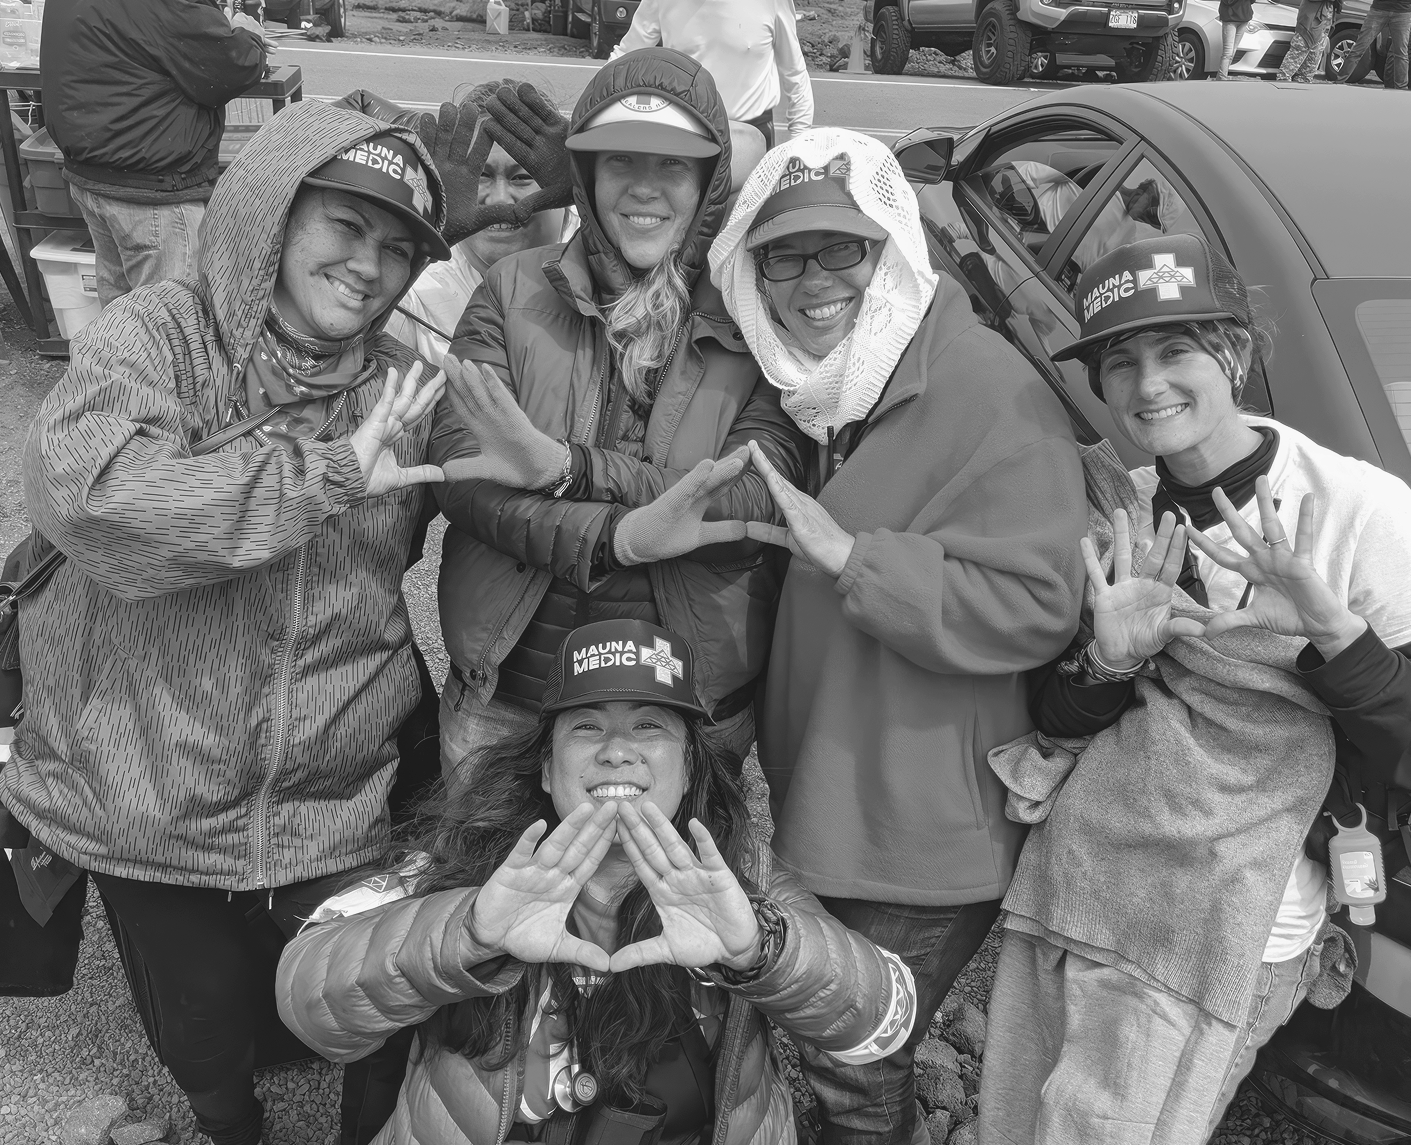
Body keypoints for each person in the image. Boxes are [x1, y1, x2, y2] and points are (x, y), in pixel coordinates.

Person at [0, 97, 560, 1145]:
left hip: (338, 787)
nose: (368, 266)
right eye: (343, 228)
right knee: (200, 1026)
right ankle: (229, 1122)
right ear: (272, 214)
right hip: (151, 786)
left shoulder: (406, 379)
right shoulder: (158, 336)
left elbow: (520, 499)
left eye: (397, 248)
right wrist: (330, 476)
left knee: (374, 1004)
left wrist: (558, 483)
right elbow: (88, 496)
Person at [977, 234, 1411, 1145]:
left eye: (1175, 350)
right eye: (1121, 361)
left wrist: (1333, 636)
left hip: (1235, 912)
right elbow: (1058, 719)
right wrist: (1105, 662)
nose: (1148, 385)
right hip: (1086, 881)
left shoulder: (1356, 509)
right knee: (1019, 1111)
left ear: (1232, 354)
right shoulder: (1123, 509)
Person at [709, 130, 1088, 1144]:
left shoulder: (981, 386)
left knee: (852, 1053)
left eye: (843, 249)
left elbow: (1035, 603)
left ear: (894, 249)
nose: (809, 280)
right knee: (842, 1043)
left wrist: (854, 559)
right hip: (846, 797)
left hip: (923, 822)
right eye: (781, 255)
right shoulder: (836, 387)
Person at [276, 618, 918, 1145]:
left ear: (690, 770)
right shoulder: (458, 863)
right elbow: (307, 1004)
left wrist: (760, 953)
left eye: (649, 725)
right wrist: (464, 934)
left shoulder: (740, 876)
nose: (617, 749)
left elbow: (886, 1017)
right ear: (547, 772)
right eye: (586, 725)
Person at [428, 48, 807, 787]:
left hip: (687, 708)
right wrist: (622, 536)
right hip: (510, 698)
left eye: (672, 167)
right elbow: (467, 477)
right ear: (585, 178)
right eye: (619, 162)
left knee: (669, 902)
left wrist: (566, 467)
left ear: (709, 183)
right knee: (493, 896)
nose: (644, 189)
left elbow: (754, 494)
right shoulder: (510, 291)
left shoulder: (755, 314)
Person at [40, 0, 271, 306]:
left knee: (122, 325)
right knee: (171, 330)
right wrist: (248, 31)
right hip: (151, 187)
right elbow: (234, 64)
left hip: (94, 172)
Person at [386, 80, 573, 367]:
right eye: (481, 176)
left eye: (521, 177)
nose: (499, 199)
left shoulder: (611, 270)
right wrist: (416, 256)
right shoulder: (415, 296)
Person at [609, 0, 814, 147]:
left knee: (749, 207)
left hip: (752, 136)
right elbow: (626, 57)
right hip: (686, 132)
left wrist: (800, 143)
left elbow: (794, 72)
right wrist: (590, 106)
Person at [1337, 0, 1411, 87]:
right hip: (1380, 9)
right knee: (1359, 47)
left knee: (1401, 53)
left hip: (1402, 11)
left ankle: (1402, 88)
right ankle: (1339, 82)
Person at [1276, 0, 1338, 82]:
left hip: (1325, 19)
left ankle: (1304, 80)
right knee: (1300, 49)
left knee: (1315, 54)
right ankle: (1283, 80)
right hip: (1310, 19)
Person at [1215, 0, 1255, 79]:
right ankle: (1222, 78)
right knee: (1228, 52)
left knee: (1232, 51)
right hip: (1230, 18)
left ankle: (1221, 77)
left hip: (1243, 18)